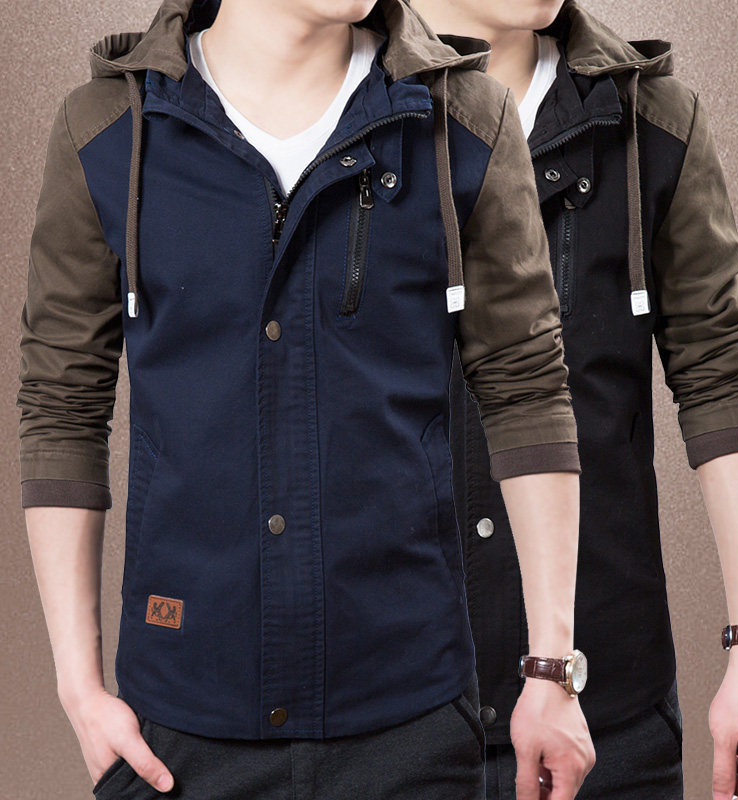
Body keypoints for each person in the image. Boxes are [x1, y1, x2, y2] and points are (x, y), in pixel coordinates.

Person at [16, 0, 596, 798]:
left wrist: (552, 668)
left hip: (411, 726)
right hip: (175, 733)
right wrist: (79, 689)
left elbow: (527, 388)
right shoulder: (108, 129)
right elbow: (62, 404)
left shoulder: (463, 119)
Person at [411, 0, 738, 798]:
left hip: (607, 714)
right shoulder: (338, 112)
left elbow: (722, 373)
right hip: (387, 721)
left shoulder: (650, 121)